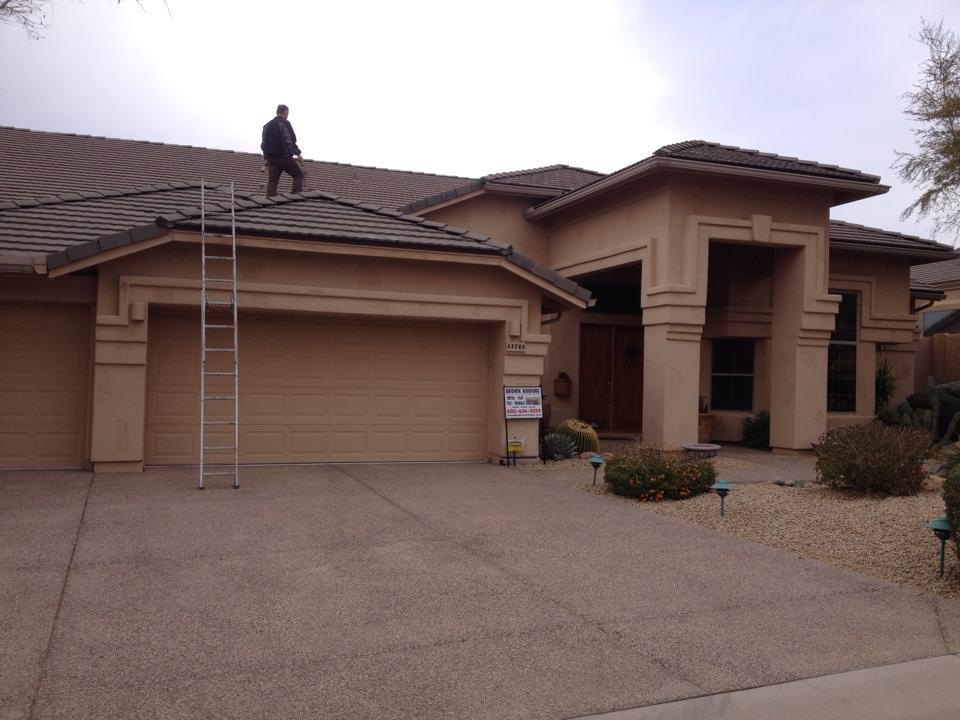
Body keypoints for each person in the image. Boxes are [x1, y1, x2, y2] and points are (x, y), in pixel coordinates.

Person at [261, 104, 305, 196]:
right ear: (285, 113)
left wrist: (267, 158)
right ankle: (296, 197)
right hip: (284, 157)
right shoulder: (284, 123)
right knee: (298, 175)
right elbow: (289, 141)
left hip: (272, 159)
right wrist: (298, 153)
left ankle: (270, 202)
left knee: (272, 182)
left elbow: (263, 145)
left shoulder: (266, 126)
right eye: (287, 113)